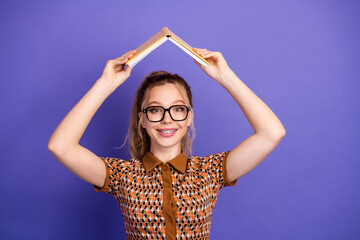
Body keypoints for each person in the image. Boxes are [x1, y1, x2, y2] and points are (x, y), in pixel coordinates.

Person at [48, 48, 286, 239]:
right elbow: (61, 146)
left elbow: (271, 132)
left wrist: (226, 76)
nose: (167, 119)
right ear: (142, 119)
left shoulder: (209, 172)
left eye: (178, 109)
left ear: (189, 116)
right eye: (155, 110)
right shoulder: (123, 175)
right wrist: (106, 83)